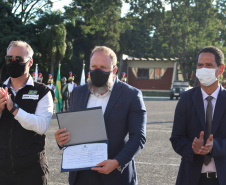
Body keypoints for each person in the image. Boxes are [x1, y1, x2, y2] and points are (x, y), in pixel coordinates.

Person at [54, 46, 146, 185]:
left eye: (103, 67)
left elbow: (138, 137)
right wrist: (61, 140)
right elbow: (73, 129)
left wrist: (117, 162)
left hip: (115, 176)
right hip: (81, 176)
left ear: (114, 70)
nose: (97, 71)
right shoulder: (78, 93)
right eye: (94, 66)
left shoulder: (132, 95)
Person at [0, 40, 54, 185]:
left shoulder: (42, 91)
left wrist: (15, 110)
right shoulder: (0, 89)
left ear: (29, 63)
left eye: (18, 59)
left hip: (32, 171)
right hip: (2, 170)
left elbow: (42, 126)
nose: (13, 62)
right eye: (9, 58)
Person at [170, 46, 226, 185]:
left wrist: (214, 146)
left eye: (209, 65)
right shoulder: (186, 99)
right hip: (191, 177)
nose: (203, 69)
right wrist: (193, 148)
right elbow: (177, 138)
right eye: (200, 65)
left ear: (221, 69)